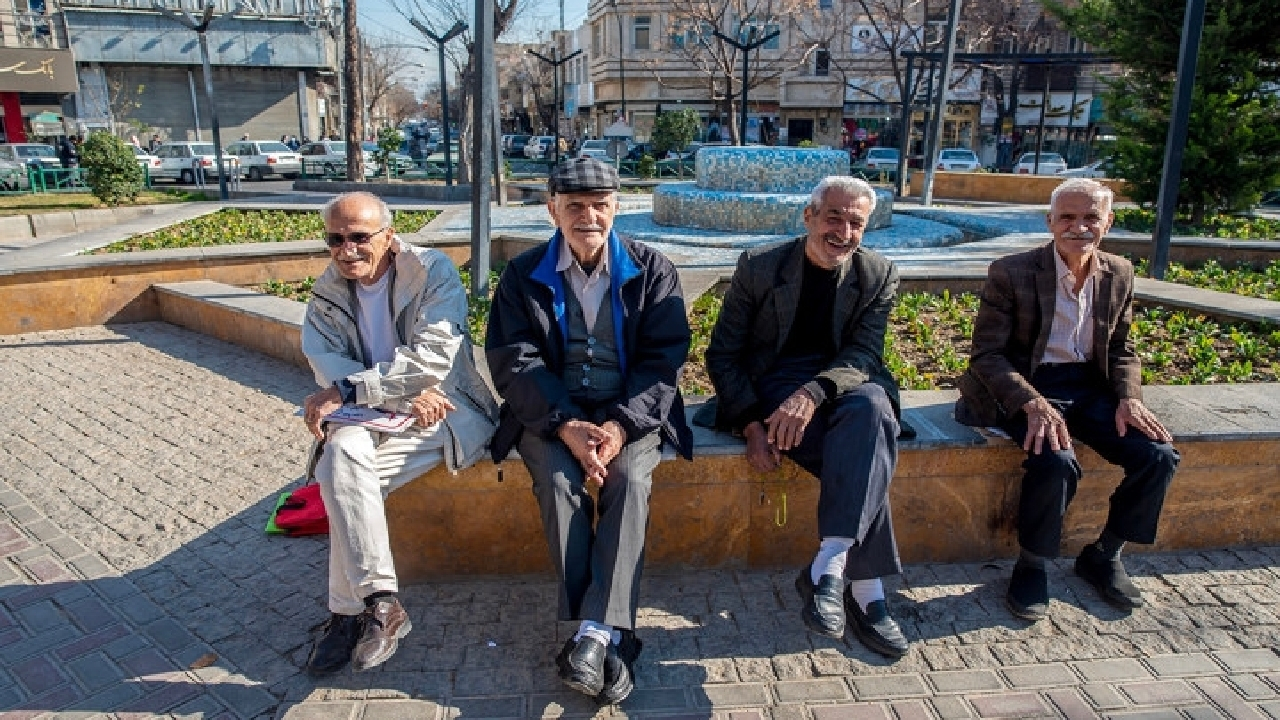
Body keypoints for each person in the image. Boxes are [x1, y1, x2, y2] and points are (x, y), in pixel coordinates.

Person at [485, 157, 692, 705]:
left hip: (631, 413)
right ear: (551, 207)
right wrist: (567, 423)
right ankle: (607, 635)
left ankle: (592, 635)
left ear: (617, 207)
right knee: (557, 485)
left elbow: (663, 362)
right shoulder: (523, 273)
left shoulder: (652, 270)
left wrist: (620, 426)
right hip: (552, 412)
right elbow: (513, 361)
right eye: (574, 205)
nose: (588, 216)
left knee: (629, 481)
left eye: (601, 204)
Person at [702, 176, 912, 659]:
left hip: (840, 385)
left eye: (855, 222)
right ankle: (869, 593)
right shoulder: (760, 266)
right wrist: (752, 423)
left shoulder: (877, 274)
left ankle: (830, 563)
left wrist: (814, 392)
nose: (843, 230)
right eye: (833, 217)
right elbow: (723, 354)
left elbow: (863, 356)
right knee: (866, 455)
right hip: (775, 383)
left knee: (875, 407)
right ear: (809, 217)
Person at [955, 177, 1179, 621]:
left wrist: (1129, 398)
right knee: (1055, 459)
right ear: (1051, 222)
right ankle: (1033, 564)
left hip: (1088, 387)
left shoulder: (1120, 273)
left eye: (1091, 218)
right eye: (1068, 218)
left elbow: (1121, 348)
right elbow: (987, 355)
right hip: (1025, 384)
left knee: (1158, 456)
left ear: (1108, 222)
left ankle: (1105, 553)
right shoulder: (1010, 271)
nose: (1079, 227)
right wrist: (1032, 402)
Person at [299, 191, 498, 675]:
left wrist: (356, 390)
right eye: (335, 239)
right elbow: (324, 359)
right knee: (342, 458)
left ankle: (346, 614)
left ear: (388, 236)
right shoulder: (328, 288)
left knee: (338, 475)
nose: (347, 249)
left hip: (446, 411)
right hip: (384, 411)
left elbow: (434, 359)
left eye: (359, 237)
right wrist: (401, 395)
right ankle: (383, 602)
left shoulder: (431, 271)